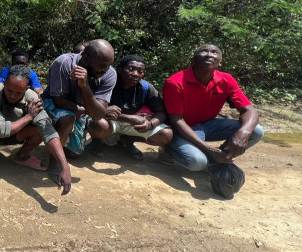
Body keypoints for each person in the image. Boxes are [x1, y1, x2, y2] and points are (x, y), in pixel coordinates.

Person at [162, 44, 263, 172]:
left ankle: (220, 157)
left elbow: (250, 111)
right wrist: (209, 149)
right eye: (204, 51)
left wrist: (244, 132)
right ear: (194, 59)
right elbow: (176, 121)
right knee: (197, 163)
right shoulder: (175, 82)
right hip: (181, 129)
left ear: (219, 62)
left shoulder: (226, 79)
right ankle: (168, 149)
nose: (209, 54)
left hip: (208, 125)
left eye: (214, 52)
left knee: (256, 131)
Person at [0, 65, 72, 194]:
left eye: (19, 92)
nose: (13, 96)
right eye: (9, 90)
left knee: (41, 127)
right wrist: (29, 116)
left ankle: (21, 156)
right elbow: (1, 131)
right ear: (4, 83)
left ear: (27, 89)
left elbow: (48, 131)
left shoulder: (33, 97)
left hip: (16, 133)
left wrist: (65, 167)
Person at [86, 55, 173, 160]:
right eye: (131, 69)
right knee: (100, 125)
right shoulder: (108, 83)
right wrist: (128, 118)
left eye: (140, 71)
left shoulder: (146, 88)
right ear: (120, 70)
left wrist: (150, 124)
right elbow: (92, 108)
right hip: (108, 121)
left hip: (132, 124)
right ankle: (96, 141)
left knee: (166, 134)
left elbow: (161, 112)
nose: (135, 74)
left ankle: (127, 140)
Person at [42, 39, 117, 158]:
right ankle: (56, 159)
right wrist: (98, 111)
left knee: (74, 154)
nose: (106, 69)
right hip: (54, 103)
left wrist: (85, 86)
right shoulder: (64, 62)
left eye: (109, 65)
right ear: (86, 58)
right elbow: (59, 101)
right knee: (67, 118)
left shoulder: (110, 74)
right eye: (102, 65)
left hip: (81, 109)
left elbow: (97, 115)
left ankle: (68, 139)